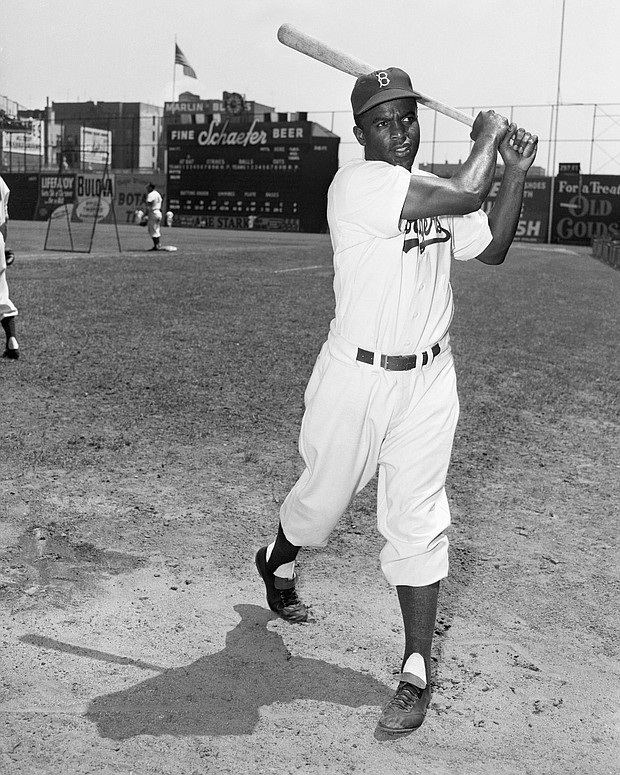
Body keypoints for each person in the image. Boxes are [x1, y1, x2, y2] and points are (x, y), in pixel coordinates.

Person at [255, 67, 538, 735]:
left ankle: (415, 668)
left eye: (406, 115)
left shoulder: (433, 191)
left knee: (417, 520)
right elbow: (471, 189)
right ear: (360, 135)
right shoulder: (358, 184)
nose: (399, 128)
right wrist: (489, 137)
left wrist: (516, 171)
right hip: (354, 377)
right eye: (382, 121)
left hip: (428, 381)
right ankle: (278, 556)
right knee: (320, 505)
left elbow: (492, 247)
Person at [0, 175, 19, 360]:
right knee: (1, 296)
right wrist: (2, 248)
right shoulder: (0, 182)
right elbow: (4, 221)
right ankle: (12, 340)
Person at [144, 183, 163, 250]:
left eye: (148, 188)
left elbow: (148, 204)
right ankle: (158, 244)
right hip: (158, 212)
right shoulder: (158, 194)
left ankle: (156, 245)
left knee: (152, 230)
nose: (147, 189)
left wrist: (146, 215)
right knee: (156, 229)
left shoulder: (151, 194)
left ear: (151, 188)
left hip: (153, 212)